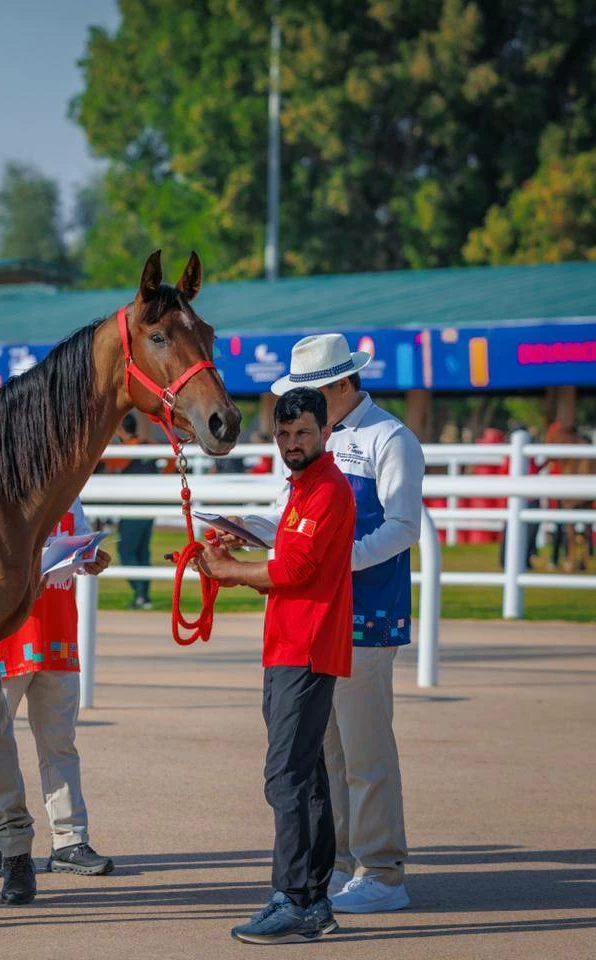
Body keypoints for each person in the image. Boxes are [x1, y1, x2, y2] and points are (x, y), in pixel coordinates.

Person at [270, 334, 423, 914]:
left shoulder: (390, 437)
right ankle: (333, 864)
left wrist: (338, 558)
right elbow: (289, 518)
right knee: (323, 752)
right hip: (317, 615)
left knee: (365, 751)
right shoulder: (310, 441)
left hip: (365, 614)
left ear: (338, 386)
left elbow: (404, 526)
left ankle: (383, 871)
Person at [196, 388, 355, 945]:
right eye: (284, 435)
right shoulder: (304, 489)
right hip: (292, 645)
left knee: (285, 777)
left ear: (324, 432)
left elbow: (294, 570)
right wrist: (236, 552)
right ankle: (312, 900)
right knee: (305, 777)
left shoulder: (327, 490)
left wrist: (229, 569)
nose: (292, 444)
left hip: (306, 648)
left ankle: (292, 897)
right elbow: (290, 562)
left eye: (303, 434)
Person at [0, 498, 112, 906]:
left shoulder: (73, 491)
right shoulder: (2, 485)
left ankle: (69, 840)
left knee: (60, 743)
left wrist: (90, 559)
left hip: (57, 630)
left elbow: (75, 546)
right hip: (7, 636)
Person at [109, 414, 157, 608]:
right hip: (150, 505)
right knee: (142, 551)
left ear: (120, 429)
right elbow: (169, 466)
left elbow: (110, 467)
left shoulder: (125, 451)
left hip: (132, 507)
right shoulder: (150, 445)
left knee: (126, 550)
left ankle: (140, 594)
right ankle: (143, 594)